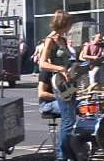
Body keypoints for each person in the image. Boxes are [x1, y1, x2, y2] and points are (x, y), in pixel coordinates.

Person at [39, 9, 76, 161]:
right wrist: (60, 68)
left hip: (68, 82)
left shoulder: (63, 39)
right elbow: (42, 63)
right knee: (68, 121)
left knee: (72, 119)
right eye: (69, 23)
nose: (71, 26)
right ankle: (62, 156)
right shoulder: (51, 40)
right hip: (59, 83)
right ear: (63, 23)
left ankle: (70, 153)